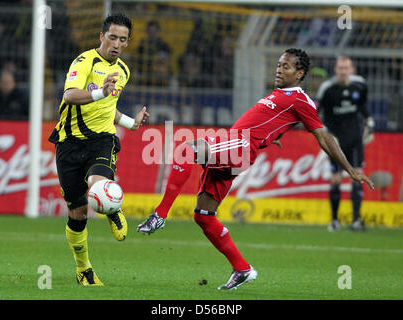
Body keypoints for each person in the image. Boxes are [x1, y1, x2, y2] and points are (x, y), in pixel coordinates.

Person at [137, 48, 374, 290]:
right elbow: (272, 123)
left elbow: (324, 137)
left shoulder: (302, 100)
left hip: (238, 148)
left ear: (300, 73)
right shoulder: (280, 94)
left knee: (185, 150)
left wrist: (350, 169)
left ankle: (160, 215)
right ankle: (242, 269)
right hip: (235, 148)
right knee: (204, 216)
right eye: (279, 65)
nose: (279, 69)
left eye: (286, 67)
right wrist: (271, 136)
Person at [48, 13, 149, 286]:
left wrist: (131, 123)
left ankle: (112, 209)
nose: (117, 43)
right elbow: (69, 95)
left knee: (97, 183)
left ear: (128, 42)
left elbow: (108, 109)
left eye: (123, 39)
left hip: (101, 140)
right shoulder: (84, 61)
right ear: (101, 37)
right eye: (113, 37)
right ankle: (84, 269)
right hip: (68, 142)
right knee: (78, 212)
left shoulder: (124, 71)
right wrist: (100, 92)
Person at [316, 56, 374, 232]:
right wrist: (325, 131)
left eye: (346, 68)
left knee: (358, 176)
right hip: (335, 141)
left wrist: (369, 122)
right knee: (336, 179)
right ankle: (334, 220)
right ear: (335, 70)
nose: (343, 71)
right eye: (340, 68)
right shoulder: (327, 89)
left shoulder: (360, 86)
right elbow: (316, 112)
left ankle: (356, 220)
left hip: (355, 139)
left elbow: (362, 107)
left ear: (352, 70)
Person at [136, 20, 171, 86]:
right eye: (150, 31)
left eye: (154, 31)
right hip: (145, 73)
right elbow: (139, 61)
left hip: (159, 74)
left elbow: (166, 61)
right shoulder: (142, 46)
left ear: (158, 32)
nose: (152, 33)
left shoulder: (164, 46)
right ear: (147, 32)